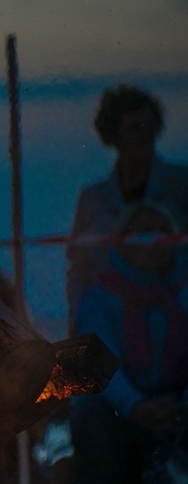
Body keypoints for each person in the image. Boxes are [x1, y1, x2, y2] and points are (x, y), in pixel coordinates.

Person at [70, 201, 188, 484]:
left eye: (163, 230)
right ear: (123, 241)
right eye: (144, 231)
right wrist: (135, 407)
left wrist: (180, 404)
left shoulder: (184, 291)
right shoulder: (101, 295)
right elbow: (98, 362)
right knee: (92, 423)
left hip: (174, 403)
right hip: (118, 409)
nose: (154, 239)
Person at [66, 85, 188, 331]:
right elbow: (79, 271)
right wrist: (79, 323)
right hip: (111, 327)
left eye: (149, 126)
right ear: (114, 136)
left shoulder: (181, 187)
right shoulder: (93, 199)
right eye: (134, 127)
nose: (144, 136)